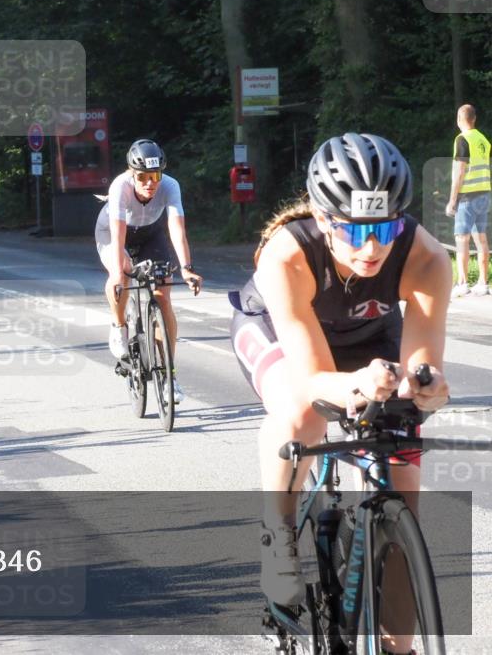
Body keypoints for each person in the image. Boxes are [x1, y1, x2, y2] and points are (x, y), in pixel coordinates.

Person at [229, 133, 451, 651]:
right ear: (324, 218)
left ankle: (399, 644)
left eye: (386, 228)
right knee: (302, 413)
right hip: (278, 334)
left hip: (369, 338)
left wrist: (427, 386)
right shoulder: (287, 255)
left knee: (402, 480)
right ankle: (277, 531)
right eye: (354, 231)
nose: (371, 248)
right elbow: (312, 379)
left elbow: (421, 366)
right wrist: (353, 384)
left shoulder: (427, 257)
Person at [95, 139, 203, 402]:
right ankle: (119, 325)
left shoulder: (170, 186)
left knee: (163, 297)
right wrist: (119, 273)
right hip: (114, 233)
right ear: (132, 174)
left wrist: (187, 268)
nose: (149, 183)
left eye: (155, 176)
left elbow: (177, 229)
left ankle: (168, 375)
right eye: (142, 177)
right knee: (119, 270)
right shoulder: (120, 186)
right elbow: (118, 231)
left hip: (151, 233)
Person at [445, 103, 490, 297]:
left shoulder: (462, 139)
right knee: (481, 237)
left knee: (461, 239)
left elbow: (460, 171)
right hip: (485, 193)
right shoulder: (483, 140)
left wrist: (452, 199)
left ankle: (462, 283)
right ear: (474, 119)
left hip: (468, 195)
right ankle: (482, 282)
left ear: (459, 120)